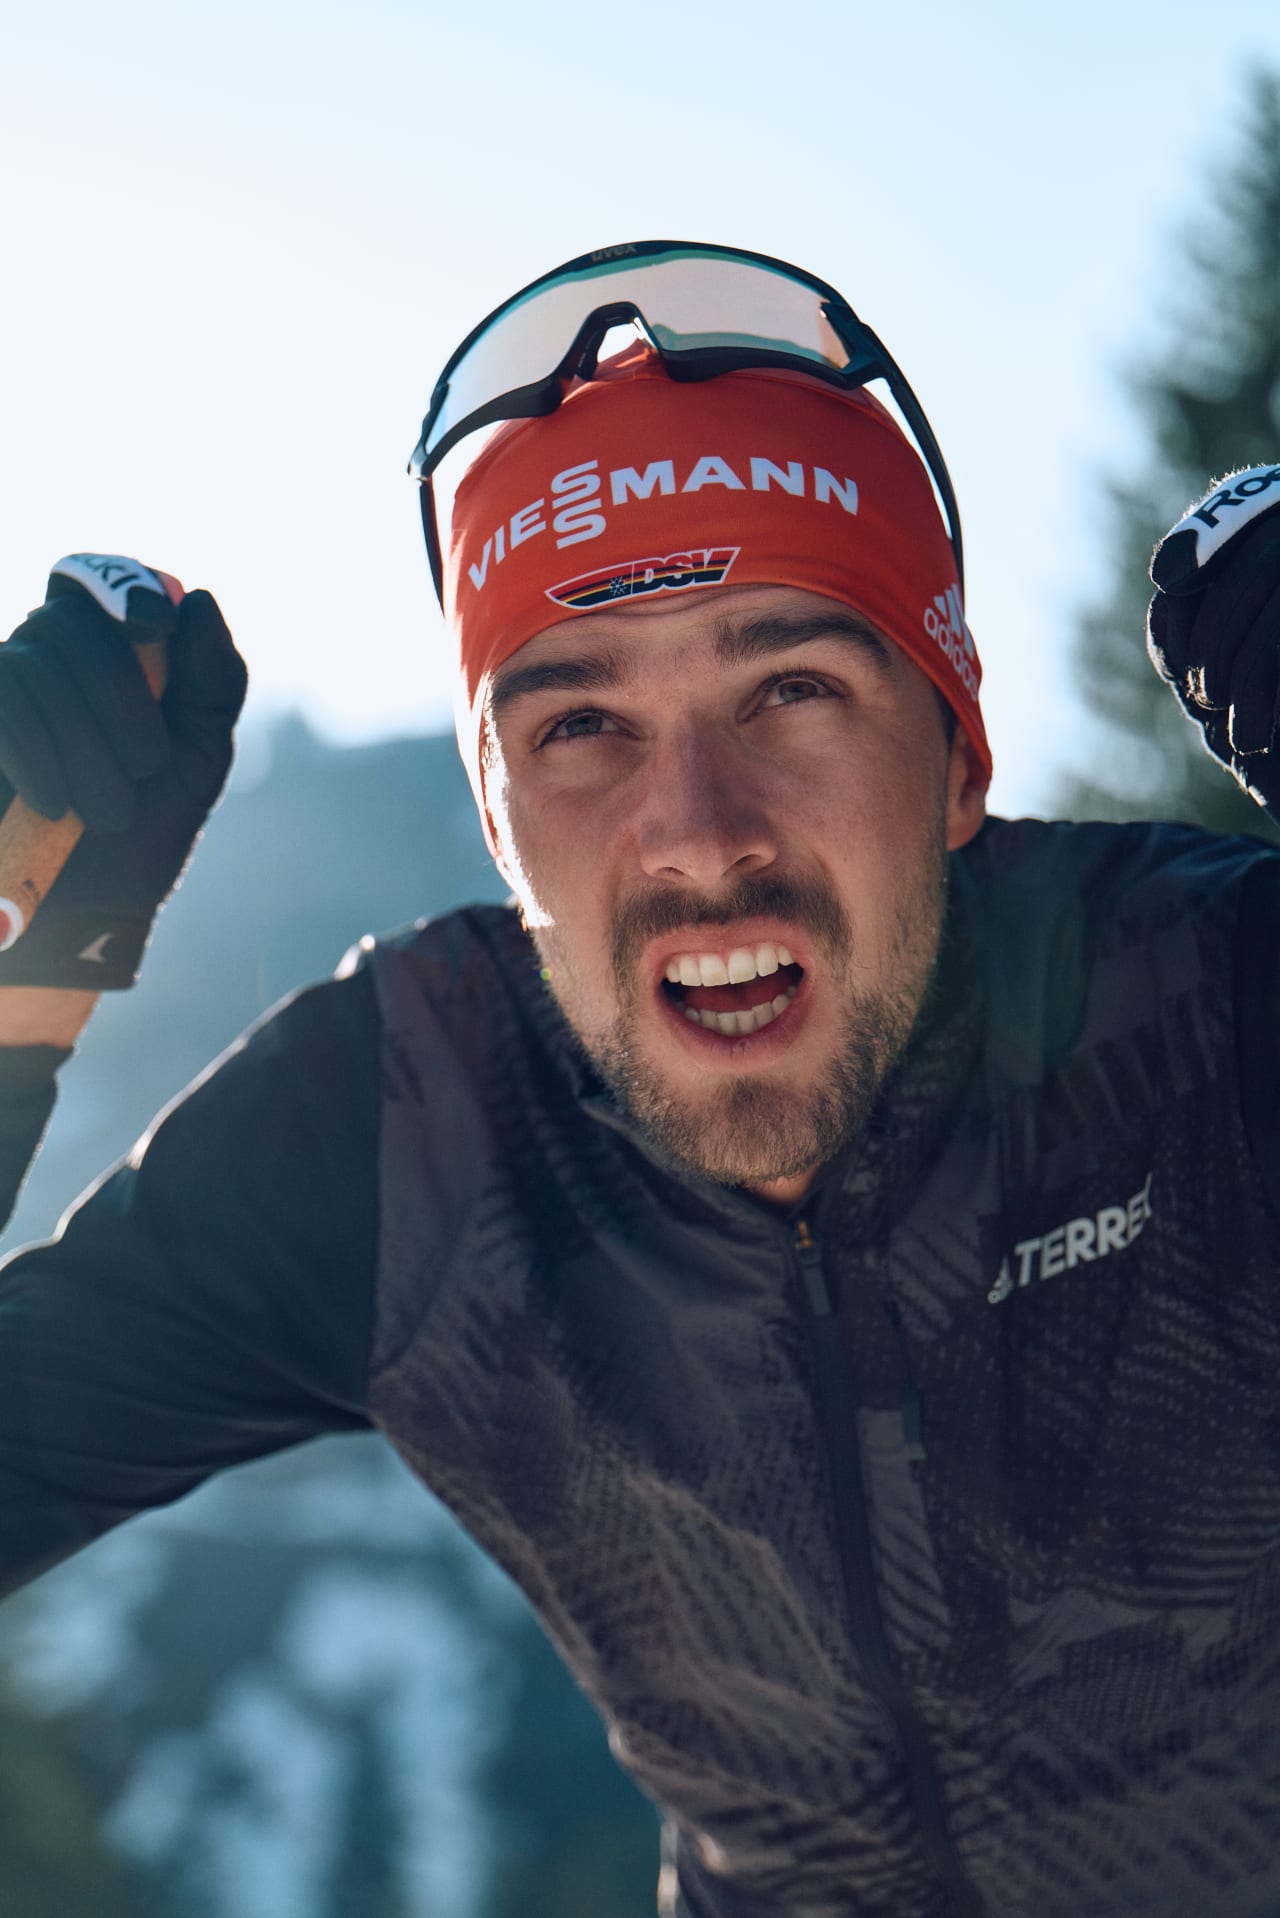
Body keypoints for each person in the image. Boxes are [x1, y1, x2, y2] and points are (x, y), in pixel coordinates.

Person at [1, 239, 1279, 1918]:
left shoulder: (1199, 1012)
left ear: (958, 749)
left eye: (793, 688)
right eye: (578, 728)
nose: (697, 835)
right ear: (500, 826)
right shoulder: (410, 1130)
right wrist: (31, 951)